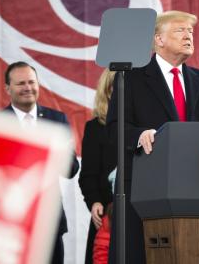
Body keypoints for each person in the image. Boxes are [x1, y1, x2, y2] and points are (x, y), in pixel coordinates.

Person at [106, 10, 199, 264]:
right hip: (144, 186)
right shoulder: (131, 77)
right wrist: (139, 135)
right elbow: (115, 128)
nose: (188, 35)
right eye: (180, 30)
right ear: (158, 39)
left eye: (190, 31)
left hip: (195, 187)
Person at [2, 61, 79, 264]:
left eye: (31, 82)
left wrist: (57, 152)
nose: (28, 88)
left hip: (50, 224)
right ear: (8, 88)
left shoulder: (56, 119)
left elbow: (71, 169)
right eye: (20, 83)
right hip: (12, 224)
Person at [78, 69, 117, 264]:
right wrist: (94, 202)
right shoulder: (95, 128)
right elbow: (88, 175)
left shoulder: (142, 126)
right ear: (108, 90)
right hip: (107, 218)